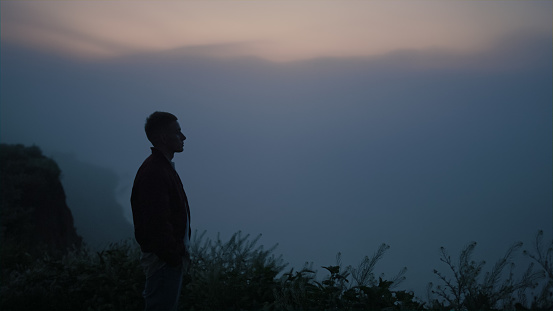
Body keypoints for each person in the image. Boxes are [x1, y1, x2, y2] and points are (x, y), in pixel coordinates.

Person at [131, 111, 191, 311]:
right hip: (163, 264)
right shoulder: (155, 172)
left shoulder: (159, 168)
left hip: (165, 262)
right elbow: (157, 223)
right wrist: (174, 257)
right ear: (164, 138)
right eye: (178, 132)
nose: (183, 137)